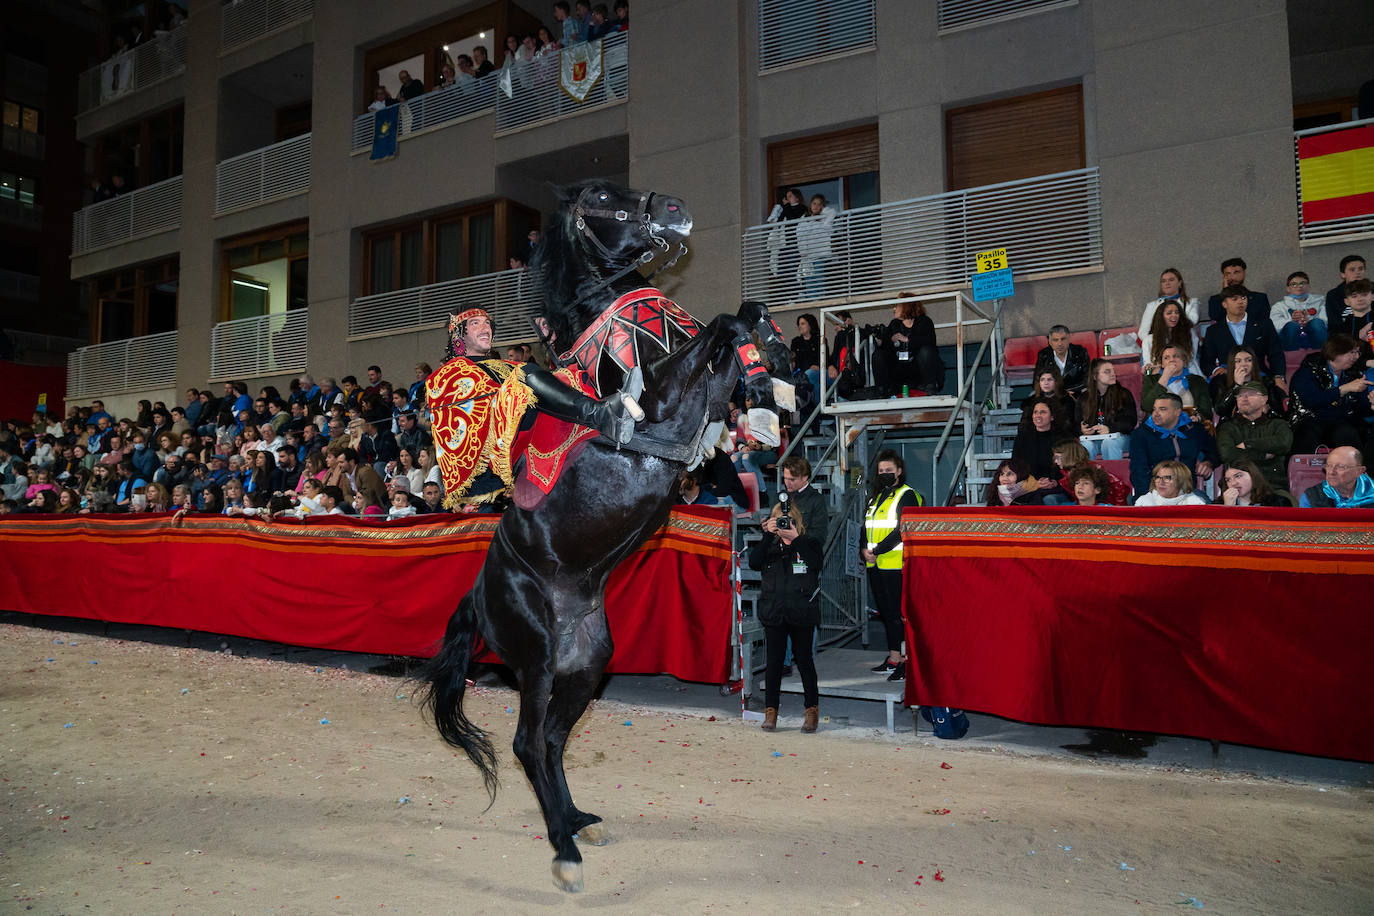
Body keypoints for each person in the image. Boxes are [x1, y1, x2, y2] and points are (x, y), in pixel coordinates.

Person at [425, 306, 641, 507]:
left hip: (526, 424)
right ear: (459, 334)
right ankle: (603, 415)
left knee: (568, 374)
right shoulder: (446, 374)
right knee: (527, 374)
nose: (485, 327)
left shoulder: (505, 365)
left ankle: (613, 410)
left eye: (487, 322)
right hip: (492, 452)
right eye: (475, 323)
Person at [751, 495, 822, 733]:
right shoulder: (769, 545)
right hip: (775, 611)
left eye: (786, 521)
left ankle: (811, 711)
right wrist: (766, 535)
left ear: (796, 521)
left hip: (801, 611)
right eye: (778, 520)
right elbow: (753, 561)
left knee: (804, 661)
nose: (782, 525)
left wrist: (796, 539)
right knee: (774, 663)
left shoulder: (809, 542)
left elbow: (815, 563)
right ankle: (771, 712)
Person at [860, 450, 922, 681]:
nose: (884, 474)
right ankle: (894, 657)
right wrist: (863, 550)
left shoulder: (908, 495)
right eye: (881, 471)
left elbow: (901, 531)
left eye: (889, 470)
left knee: (901, 616)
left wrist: (875, 551)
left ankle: (908, 662)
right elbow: (864, 528)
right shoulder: (875, 498)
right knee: (887, 614)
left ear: (899, 471)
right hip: (875, 566)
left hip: (897, 566)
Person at [1288, 334, 1374, 454]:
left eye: (1357, 353)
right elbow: (1310, 401)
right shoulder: (1309, 370)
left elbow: (1359, 410)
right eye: (1352, 352)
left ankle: (1357, 471)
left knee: (1349, 434)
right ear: (1336, 352)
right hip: (1308, 419)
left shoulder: (1354, 374)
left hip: (1340, 421)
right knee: (1307, 436)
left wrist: (1370, 401)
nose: (1356, 357)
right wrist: (1343, 389)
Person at [1128, 392, 1218, 500]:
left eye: (1162, 409)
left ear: (1177, 412)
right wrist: (1148, 497)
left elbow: (1216, 451)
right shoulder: (1141, 434)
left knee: (1206, 510)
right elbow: (1138, 470)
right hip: (1154, 492)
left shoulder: (1195, 430)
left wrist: (1209, 463)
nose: (1156, 413)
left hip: (1187, 491)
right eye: (1154, 409)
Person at [1216, 381, 1293, 499]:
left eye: (1250, 394)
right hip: (1237, 489)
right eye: (1240, 395)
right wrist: (1262, 455)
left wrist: (1248, 444)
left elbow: (1283, 443)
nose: (1244, 398)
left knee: (1288, 505)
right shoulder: (1228, 427)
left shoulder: (1278, 425)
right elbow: (1227, 454)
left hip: (1274, 487)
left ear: (1264, 399)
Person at [1199, 284, 1286, 386]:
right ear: (1224, 304)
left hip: (1258, 375)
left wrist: (1279, 376)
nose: (1240, 302)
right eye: (1234, 299)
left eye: (1243, 298)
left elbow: (1276, 353)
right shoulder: (1213, 331)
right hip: (1227, 377)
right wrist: (1216, 369)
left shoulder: (1264, 325)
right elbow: (1206, 361)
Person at [880, 295, 943, 396]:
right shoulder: (894, 324)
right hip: (901, 370)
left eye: (897, 305)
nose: (894, 308)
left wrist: (907, 340)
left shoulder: (925, 322)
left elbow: (930, 342)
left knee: (926, 351)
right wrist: (890, 341)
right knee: (879, 355)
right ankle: (882, 390)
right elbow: (884, 348)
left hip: (918, 370)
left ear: (907, 306)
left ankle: (929, 386)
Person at [1139, 268, 1202, 368]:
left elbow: (1192, 320)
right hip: (1158, 347)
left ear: (1180, 283)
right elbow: (1143, 332)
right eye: (1163, 281)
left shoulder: (1192, 302)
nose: (1167, 283)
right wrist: (1160, 340)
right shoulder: (1151, 305)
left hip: (1184, 343)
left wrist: (1174, 339)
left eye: (1171, 280)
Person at [1074, 359, 1136, 459]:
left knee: (1109, 442)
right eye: (1107, 371)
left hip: (1120, 438)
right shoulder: (1084, 398)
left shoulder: (1123, 394)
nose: (1113, 374)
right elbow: (1076, 424)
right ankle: (1089, 474)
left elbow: (1130, 422)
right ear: (1095, 376)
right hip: (1095, 439)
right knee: (1086, 444)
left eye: (1113, 371)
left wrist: (1110, 428)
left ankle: (1114, 474)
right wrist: (1082, 430)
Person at [1141, 344, 1213, 427]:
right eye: (1166, 358)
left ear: (1183, 360)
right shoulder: (1151, 380)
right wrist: (1165, 377)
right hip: (1159, 427)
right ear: (1162, 364)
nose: (1172, 360)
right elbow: (1146, 406)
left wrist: (1198, 418)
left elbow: (1207, 411)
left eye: (1176, 356)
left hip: (1189, 426)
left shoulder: (1198, 381)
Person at [1210, 345, 1285, 422]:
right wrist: (1237, 385)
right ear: (1232, 363)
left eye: (1248, 360)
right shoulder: (1221, 380)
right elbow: (1220, 410)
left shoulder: (1266, 382)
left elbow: (1279, 413)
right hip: (1232, 427)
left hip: (1262, 426)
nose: (1243, 364)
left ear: (1254, 363)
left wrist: (1267, 410)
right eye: (1238, 361)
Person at [1052, 439, 1131, 505]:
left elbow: (1119, 486)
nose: (1056, 461)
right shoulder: (1065, 472)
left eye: (1058, 458)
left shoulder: (1092, 468)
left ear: (1069, 456)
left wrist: (1118, 509)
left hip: (1110, 503)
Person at [1298, 445, 1374, 508]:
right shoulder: (1312, 496)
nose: (1331, 472)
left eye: (1340, 467)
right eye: (1329, 465)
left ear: (1359, 471)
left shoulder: (1371, 493)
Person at [1141, 299, 1201, 376]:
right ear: (1161, 317)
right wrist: (1148, 370)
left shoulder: (1189, 334)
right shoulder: (1148, 340)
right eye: (1169, 313)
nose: (1174, 315)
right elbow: (1148, 371)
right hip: (1161, 378)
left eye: (1177, 312)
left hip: (1187, 375)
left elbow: (1190, 360)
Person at [1270, 271, 1328, 351]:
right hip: (1289, 340)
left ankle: (1321, 355)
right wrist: (1292, 320)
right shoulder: (1279, 306)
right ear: (1288, 288)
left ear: (1308, 286)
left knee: (1317, 323)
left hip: (1313, 337)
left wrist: (1308, 320)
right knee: (1292, 326)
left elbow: (1326, 321)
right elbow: (1274, 325)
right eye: (1294, 284)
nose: (1299, 287)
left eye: (1302, 283)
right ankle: (1290, 358)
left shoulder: (1320, 302)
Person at [794, 194, 836, 300]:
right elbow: (799, 234)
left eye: (819, 204)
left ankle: (821, 300)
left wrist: (823, 211)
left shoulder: (824, 218)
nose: (816, 206)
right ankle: (812, 300)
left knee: (819, 278)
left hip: (819, 255)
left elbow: (833, 212)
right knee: (809, 280)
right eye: (814, 203)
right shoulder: (804, 218)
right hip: (807, 257)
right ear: (810, 204)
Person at [1012, 400, 1064, 484]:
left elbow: (1067, 466)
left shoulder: (1063, 438)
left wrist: (1054, 481)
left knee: (1050, 498)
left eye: (1043, 412)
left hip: (1056, 485)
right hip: (1029, 484)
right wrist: (1034, 484)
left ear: (1052, 417)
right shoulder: (1022, 438)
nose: (1038, 416)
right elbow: (1016, 465)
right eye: (1035, 412)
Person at [1206, 258, 1271, 323]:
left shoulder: (1259, 298)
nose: (1232, 277)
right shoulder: (1215, 300)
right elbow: (1217, 317)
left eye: (1236, 272)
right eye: (1228, 274)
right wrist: (1226, 293)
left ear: (1244, 273)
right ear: (1224, 277)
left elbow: (1264, 321)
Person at [765, 187, 806, 289]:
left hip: (794, 244)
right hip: (784, 244)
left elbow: (793, 219)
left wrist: (787, 206)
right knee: (783, 270)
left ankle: (796, 294)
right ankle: (788, 294)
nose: (787, 199)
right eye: (786, 197)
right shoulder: (786, 209)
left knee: (793, 270)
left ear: (797, 198)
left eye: (790, 196)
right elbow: (779, 222)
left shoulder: (802, 208)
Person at [1034, 325, 1091, 396]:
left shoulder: (1080, 352)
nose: (1060, 344)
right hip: (1052, 395)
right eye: (1055, 340)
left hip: (1075, 395)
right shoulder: (1044, 355)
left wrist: (1070, 391)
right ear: (1050, 341)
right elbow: (1037, 380)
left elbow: (1088, 379)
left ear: (1069, 339)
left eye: (1063, 339)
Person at [1134, 459, 1208, 507]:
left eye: (1167, 478)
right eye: (1158, 477)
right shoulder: (1144, 502)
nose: (1161, 482)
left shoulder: (1195, 503)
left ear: (1180, 481)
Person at [1323, 255, 1366, 331]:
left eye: (1361, 269)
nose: (1357, 272)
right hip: (1345, 336)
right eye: (1352, 270)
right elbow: (1334, 323)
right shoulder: (1334, 295)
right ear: (1343, 274)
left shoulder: (1372, 290)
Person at [1220, 460, 1290, 507]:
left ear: (1253, 476)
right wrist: (1227, 509)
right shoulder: (1219, 504)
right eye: (1228, 480)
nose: (1233, 483)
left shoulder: (1278, 503)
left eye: (1238, 476)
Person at [1330, 278, 1374, 347]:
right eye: (1354, 296)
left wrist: (1371, 325)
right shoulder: (1345, 325)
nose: (1360, 299)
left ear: (1372, 297)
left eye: (1364, 295)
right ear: (1347, 301)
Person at [790, 314, 822, 401]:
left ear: (810, 324)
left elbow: (825, 357)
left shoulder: (820, 339)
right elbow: (793, 360)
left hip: (819, 371)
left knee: (811, 374)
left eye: (803, 323)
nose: (800, 326)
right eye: (799, 324)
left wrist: (818, 365)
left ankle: (819, 405)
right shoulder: (795, 342)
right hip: (802, 374)